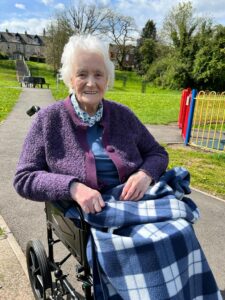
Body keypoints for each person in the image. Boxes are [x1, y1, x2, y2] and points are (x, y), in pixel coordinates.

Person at [13, 34, 168, 212]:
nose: (91, 83)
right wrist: (73, 188)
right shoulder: (48, 119)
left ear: (107, 79)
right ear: (70, 79)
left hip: (138, 203)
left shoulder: (123, 115)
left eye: (98, 75)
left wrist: (145, 174)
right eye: (82, 74)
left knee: (181, 230)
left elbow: (157, 153)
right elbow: (24, 178)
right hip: (87, 215)